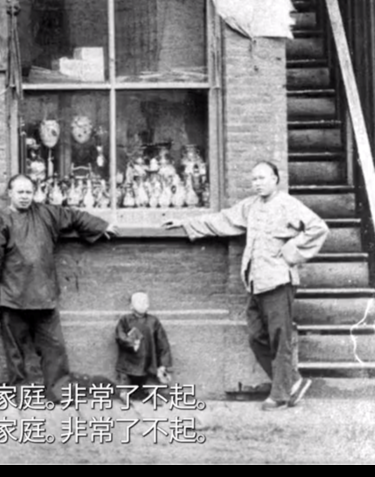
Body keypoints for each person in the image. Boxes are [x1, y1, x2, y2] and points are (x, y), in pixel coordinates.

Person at [163, 161, 329, 411]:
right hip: (255, 282)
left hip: (278, 282)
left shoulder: (288, 204)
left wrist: (292, 251)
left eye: (263, 178)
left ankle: (281, 395)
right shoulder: (250, 206)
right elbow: (222, 220)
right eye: (254, 179)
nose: (258, 183)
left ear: (276, 179)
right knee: (256, 337)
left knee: (279, 338)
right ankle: (292, 383)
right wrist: (186, 223)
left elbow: (318, 228)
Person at [0, 174, 119, 404]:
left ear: (34, 194)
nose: (24, 197)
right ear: (9, 193)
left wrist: (102, 226)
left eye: (28, 192)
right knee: (16, 352)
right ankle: (21, 393)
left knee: (54, 347)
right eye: (20, 192)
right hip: (13, 296)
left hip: (44, 294)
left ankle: (59, 391)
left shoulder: (47, 214)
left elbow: (74, 216)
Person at [115, 292, 173, 393]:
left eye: (145, 302)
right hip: (129, 357)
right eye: (139, 302)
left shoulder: (153, 321)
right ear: (131, 306)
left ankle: (152, 392)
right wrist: (130, 343)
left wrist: (163, 364)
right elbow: (120, 335)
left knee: (151, 376)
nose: (143, 304)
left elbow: (162, 342)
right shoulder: (125, 320)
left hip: (148, 358)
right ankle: (124, 391)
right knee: (124, 375)